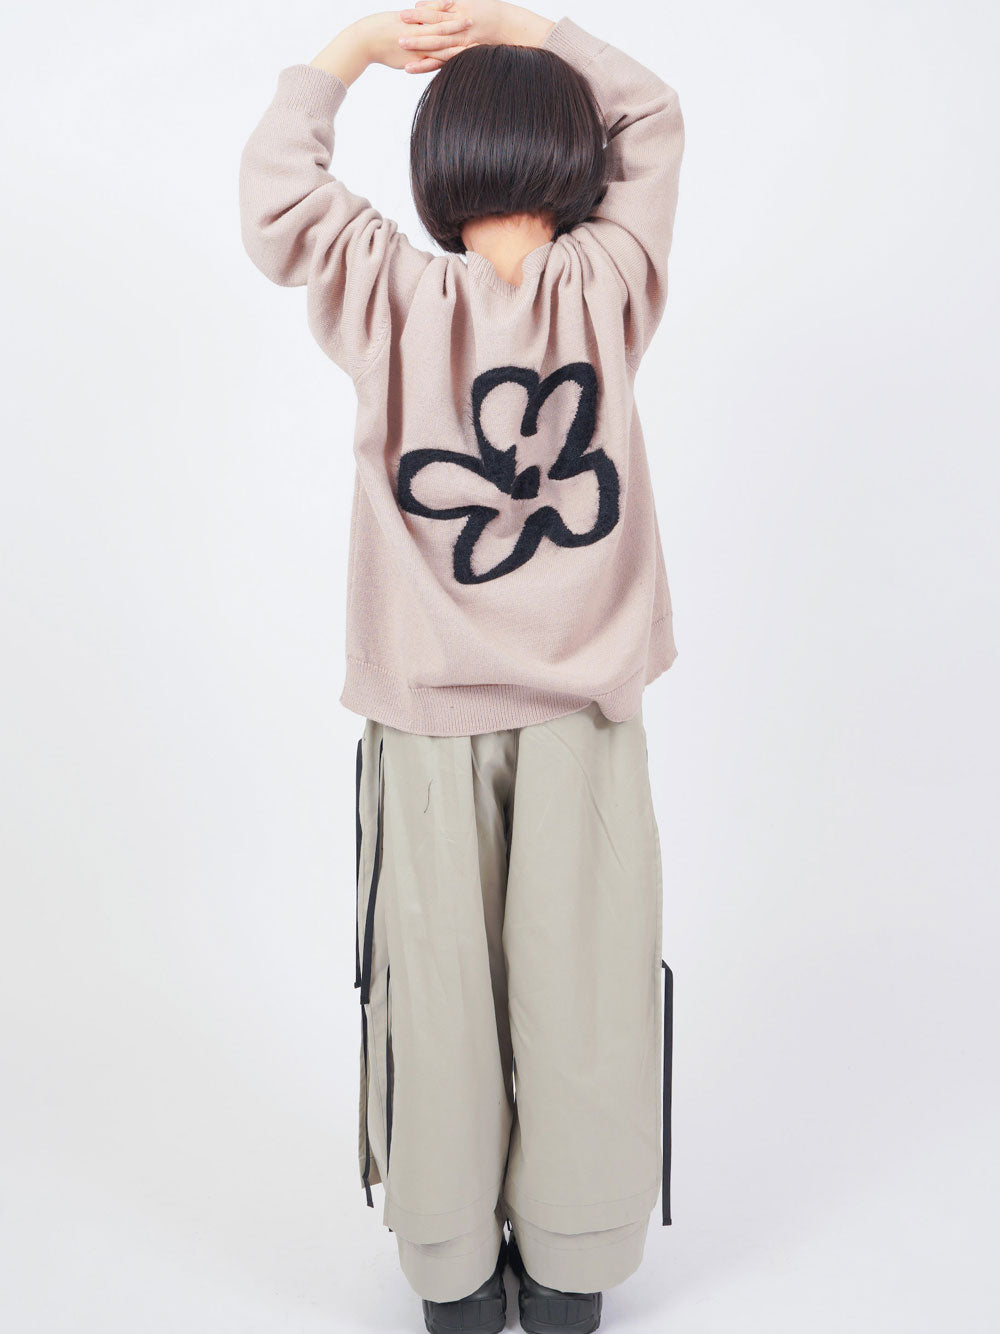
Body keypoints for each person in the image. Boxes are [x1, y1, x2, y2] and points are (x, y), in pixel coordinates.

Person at [239, 3, 684, 1330]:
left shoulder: (386, 292)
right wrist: (534, 29)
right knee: (587, 983)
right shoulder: (610, 285)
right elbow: (654, 113)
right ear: (576, 160)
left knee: (432, 990)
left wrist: (351, 54)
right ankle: (573, 1265)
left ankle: (452, 1274)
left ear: (438, 165)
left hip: (427, 720)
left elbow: (277, 197)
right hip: (586, 718)